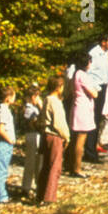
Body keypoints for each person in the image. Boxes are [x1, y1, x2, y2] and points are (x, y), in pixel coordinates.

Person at [87, 35, 108, 161]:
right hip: (96, 88)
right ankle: (89, 152)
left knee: (99, 119)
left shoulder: (106, 54)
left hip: (104, 87)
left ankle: (92, 150)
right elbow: (88, 72)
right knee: (93, 120)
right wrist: (96, 87)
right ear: (103, 42)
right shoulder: (94, 53)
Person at [40, 75, 70, 205]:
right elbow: (59, 123)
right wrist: (67, 136)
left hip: (46, 135)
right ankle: (49, 196)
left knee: (46, 165)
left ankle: (41, 193)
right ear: (59, 87)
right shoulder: (55, 102)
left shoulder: (46, 99)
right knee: (55, 167)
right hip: (55, 136)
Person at [67, 55, 99, 178]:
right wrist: (95, 90)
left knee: (75, 139)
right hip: (83, 109)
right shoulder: (83, 75)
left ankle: (72, 165)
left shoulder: (76, 74)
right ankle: (77, 168)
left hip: (77, 107)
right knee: (80, 140)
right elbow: (94, 93)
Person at [0, 86, 17, 204]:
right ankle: (1, 196)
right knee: (1, 170)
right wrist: (10, 140)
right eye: (13, 96)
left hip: (5, 143)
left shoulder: (5, 109)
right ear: (8, 97)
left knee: (1, 169)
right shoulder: (3, 110)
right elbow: (1, 129)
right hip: (4, 143)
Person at [20, 83, 44, 199]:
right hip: (33, 135)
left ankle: (34, 185)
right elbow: (34, 123)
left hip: (35, 135)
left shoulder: (32, 108)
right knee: (32, 162)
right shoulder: (29, 109)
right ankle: (27, 187)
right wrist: (41, 107)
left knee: (37, 162)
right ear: (34, 97)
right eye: (38, 97)